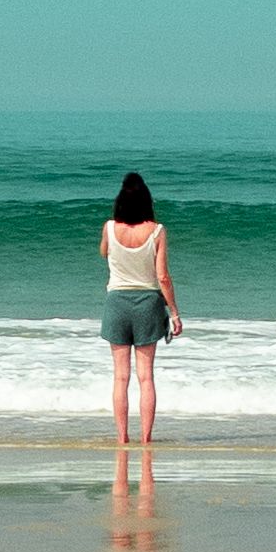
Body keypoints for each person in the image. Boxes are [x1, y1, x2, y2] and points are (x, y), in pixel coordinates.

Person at [99, 169, 180, 450]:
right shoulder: (157, 231)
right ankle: (146, 438)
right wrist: (175, 313)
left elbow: (104, 252)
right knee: (146, 377)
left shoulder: (109, 227)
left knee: (120, 376)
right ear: (147, 201)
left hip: (117, 302)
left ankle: (122, 437)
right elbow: (163, 277)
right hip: (148, 303)